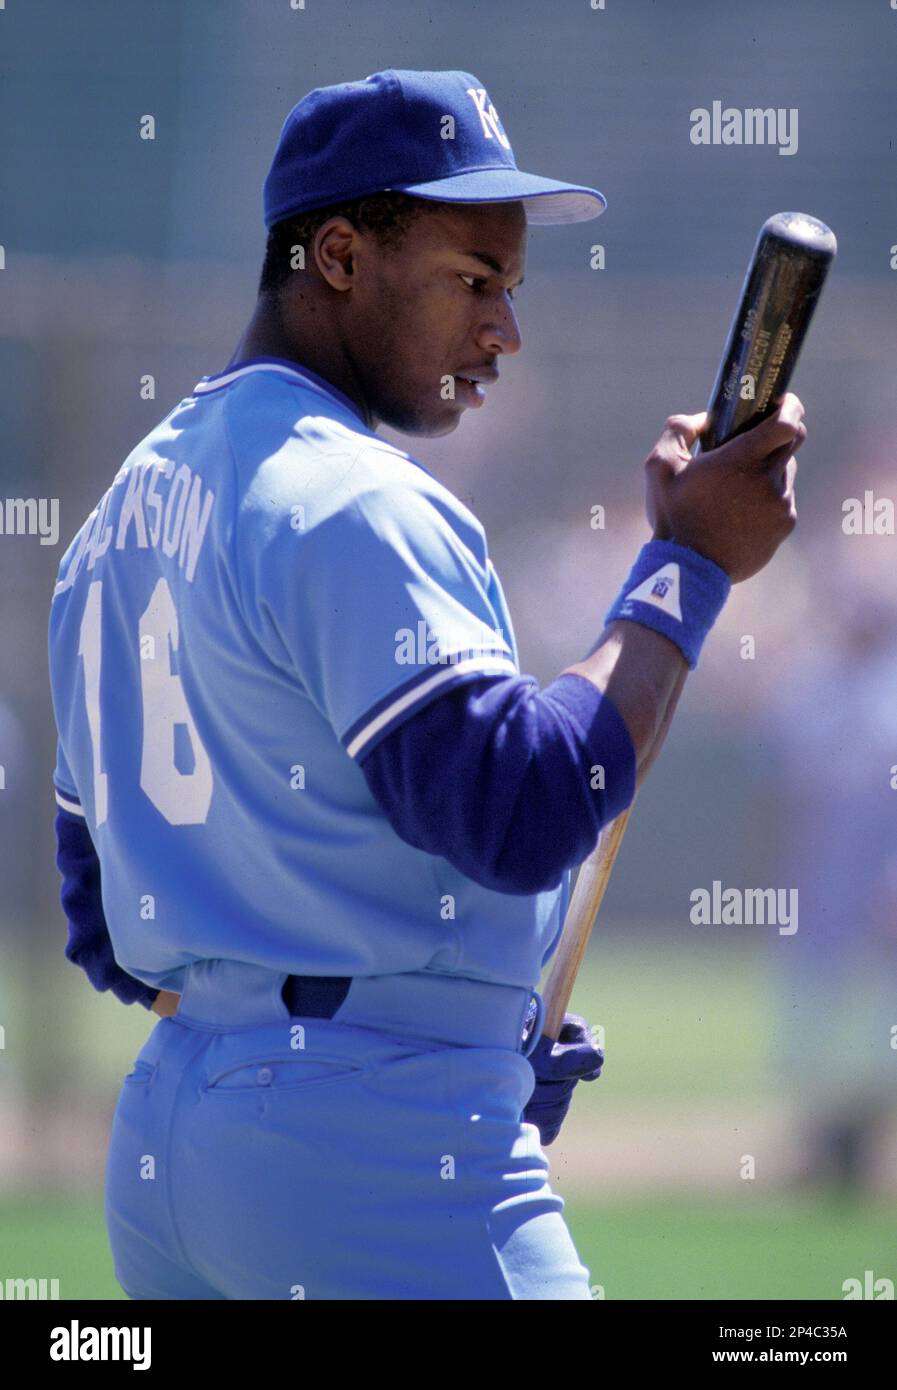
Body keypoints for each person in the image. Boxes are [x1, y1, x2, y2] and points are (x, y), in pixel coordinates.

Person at [48, 68, 805, 1299]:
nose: (505, 328)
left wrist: (444, 1010)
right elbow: (519, 811)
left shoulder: (119, 515)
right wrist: (684, 571)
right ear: (339, 254)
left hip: (169, 1153)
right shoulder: (350, 494)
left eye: (510, 286)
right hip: (368, 1146)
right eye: (474, 280)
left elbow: (101, 921)